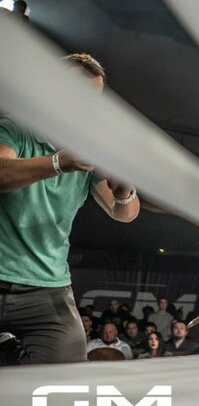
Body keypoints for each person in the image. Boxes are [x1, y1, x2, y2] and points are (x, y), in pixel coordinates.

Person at [0, 53, 141, 364]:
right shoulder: (15, 128)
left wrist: (123, 190)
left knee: (68, 374)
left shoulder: (90, 148)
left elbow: (124, 213)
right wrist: (59, 162)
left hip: (46, 289)